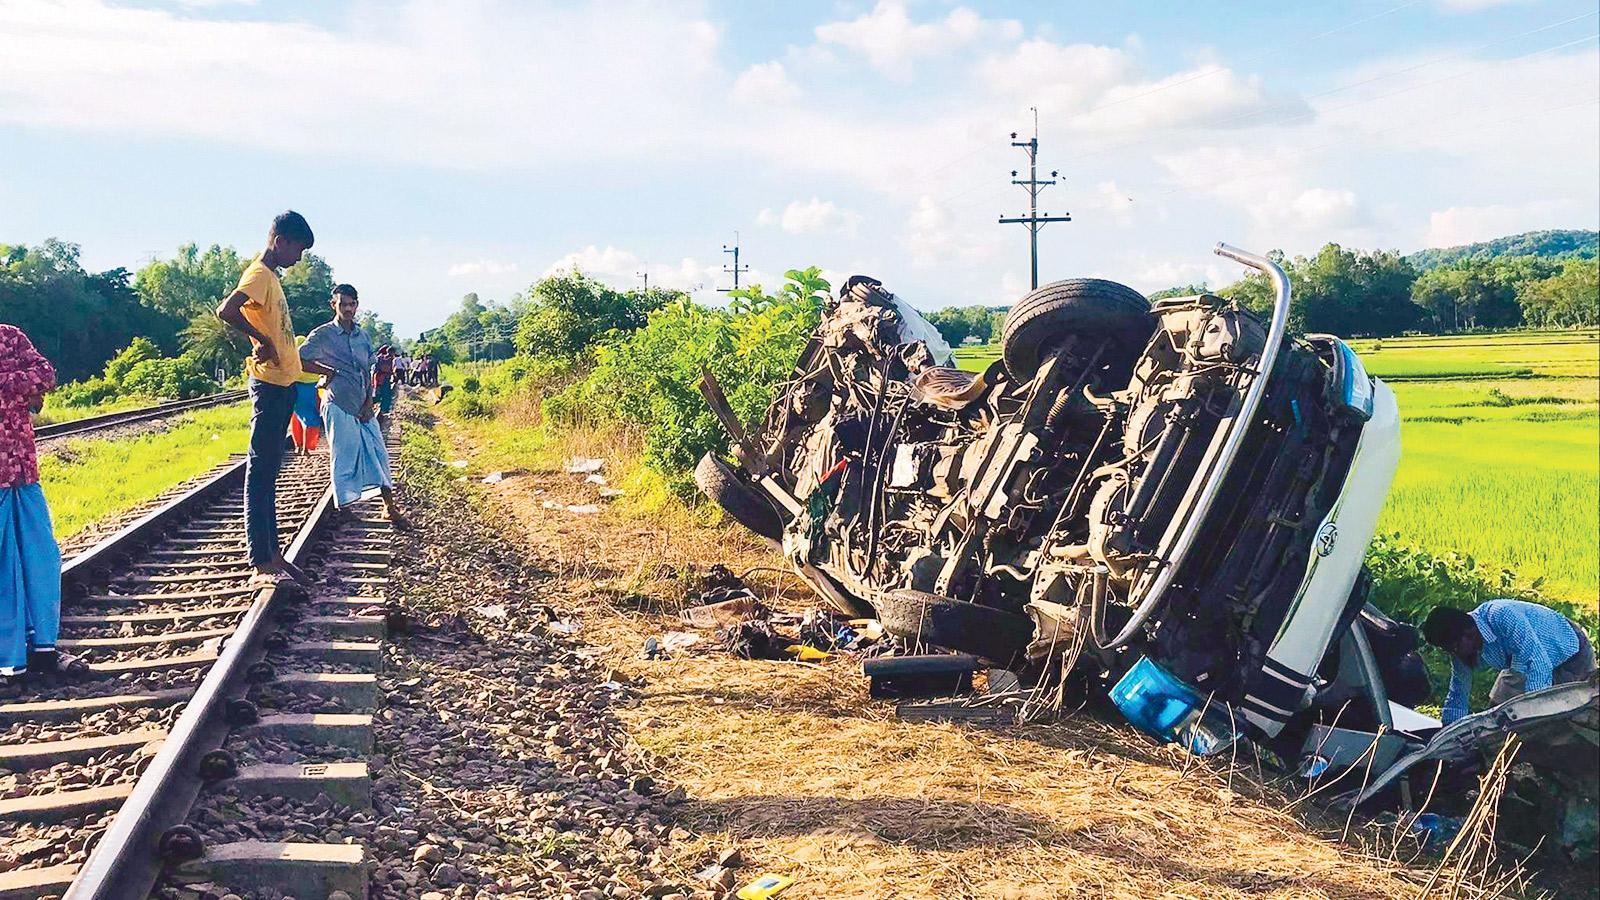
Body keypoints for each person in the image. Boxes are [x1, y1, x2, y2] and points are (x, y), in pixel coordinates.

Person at [216, 210, 329, 588]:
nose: (298, 259)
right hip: (268, 384)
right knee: (260, 470)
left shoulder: (271, 279)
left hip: (283, 382)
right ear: (280, 241)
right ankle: (261, 559)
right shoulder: (259, 275)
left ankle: (273, 554)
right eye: (297, 250)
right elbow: (226, 310)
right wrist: (262, 341)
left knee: (270, 472)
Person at [300, 284, 404, 524]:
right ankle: (344, 509)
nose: (348, 309)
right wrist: (327, 372)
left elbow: (368, 370)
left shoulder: (362, 336)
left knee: (379, 454)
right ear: (333, 305)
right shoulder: (322, 334)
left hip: (362, 404)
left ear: (357, 305)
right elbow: (300, 359)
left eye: (352, 304)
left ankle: (389, 506)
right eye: (343, 304)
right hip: (338, 403)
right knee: (344, 456)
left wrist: (369, 402)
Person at [0, 325, 68, 677]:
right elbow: (34, 383)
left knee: (41, 558)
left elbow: (45, 375)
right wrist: (19, 389)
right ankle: (8, 658)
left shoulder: (10, 337)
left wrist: (7, 385)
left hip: (23, 470)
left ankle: (43, 647)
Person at [1424, 599, 1597, 724]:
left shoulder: (1501, 615)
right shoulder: (1460, 647)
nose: (1453, 654)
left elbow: (1537, 665)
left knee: (1572, 717)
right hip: (1523, 661)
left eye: (1453, 648)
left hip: (1569, 652)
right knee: (1498, 717)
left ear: (1468, 633)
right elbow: (1458, 691)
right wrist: (1449, 730)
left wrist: (1533, 715)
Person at [289, 336, 324, 455]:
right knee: (312, 419)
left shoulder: (291, 358)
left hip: (294, 388)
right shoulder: (311, 356)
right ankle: (306, 448)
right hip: (310, 388)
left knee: (296, 419)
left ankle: (298, 446)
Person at [373, 346, 396, 416]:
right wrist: (392, 374)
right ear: (391, 352)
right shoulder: (389, 359)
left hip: (378, 378)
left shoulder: (380, 357)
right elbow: (389, 369)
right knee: (386, 395)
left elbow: (376, 369)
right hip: (384, 378)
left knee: (380, 394)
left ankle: (380, 408)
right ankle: (384, 409)